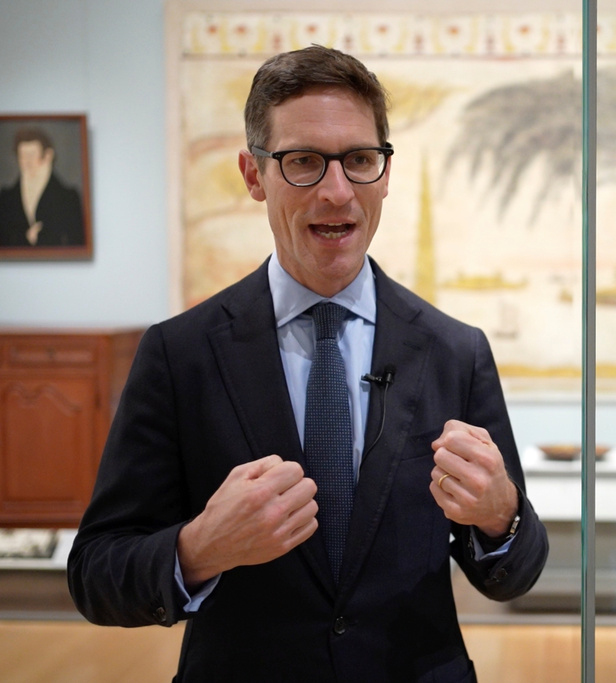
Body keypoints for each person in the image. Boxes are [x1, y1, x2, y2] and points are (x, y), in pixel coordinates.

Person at [67, 45, 548, 682]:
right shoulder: (180, 353)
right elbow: (97, 573)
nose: (336, 190)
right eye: (302, 162)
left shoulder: (454, 350)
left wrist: (500, 516)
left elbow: (513, 571)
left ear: (384, 172)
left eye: (359, 159)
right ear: (252, 174)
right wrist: (200, 548)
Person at [0, 127, 85, 247]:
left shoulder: (68, 197)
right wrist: (24, 238)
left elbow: (77, 243)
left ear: (48, 156)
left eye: (32, 155)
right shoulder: (7, 197)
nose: (27, 162)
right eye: (23, 155)